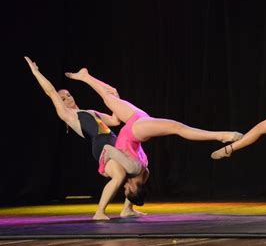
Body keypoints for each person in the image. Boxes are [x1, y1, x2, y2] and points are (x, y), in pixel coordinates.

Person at [64, 67, 244, 206]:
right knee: (176, 127)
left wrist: (129, 207)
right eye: (126, 188)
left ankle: (85, 76)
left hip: (134, 122)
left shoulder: (142, 171)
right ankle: (221, 135)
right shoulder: (139, 171)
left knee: (110, 95)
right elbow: (115, 153)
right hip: (135, 128)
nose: (124, 186)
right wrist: (103, 164)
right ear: (134, 187)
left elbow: (133, 181)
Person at [24, 56, 146, 220]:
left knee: (143, 172)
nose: (68, 98)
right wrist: (35, 72)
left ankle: (127, 209)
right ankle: (99, 212)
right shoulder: (69, 115)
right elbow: (50, 91)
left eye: (68, 95)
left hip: (115, 142)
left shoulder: (90, 112)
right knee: (119, 176)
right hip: (103, 148)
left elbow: (115, 120)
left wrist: (114, 97)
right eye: (63, 99)